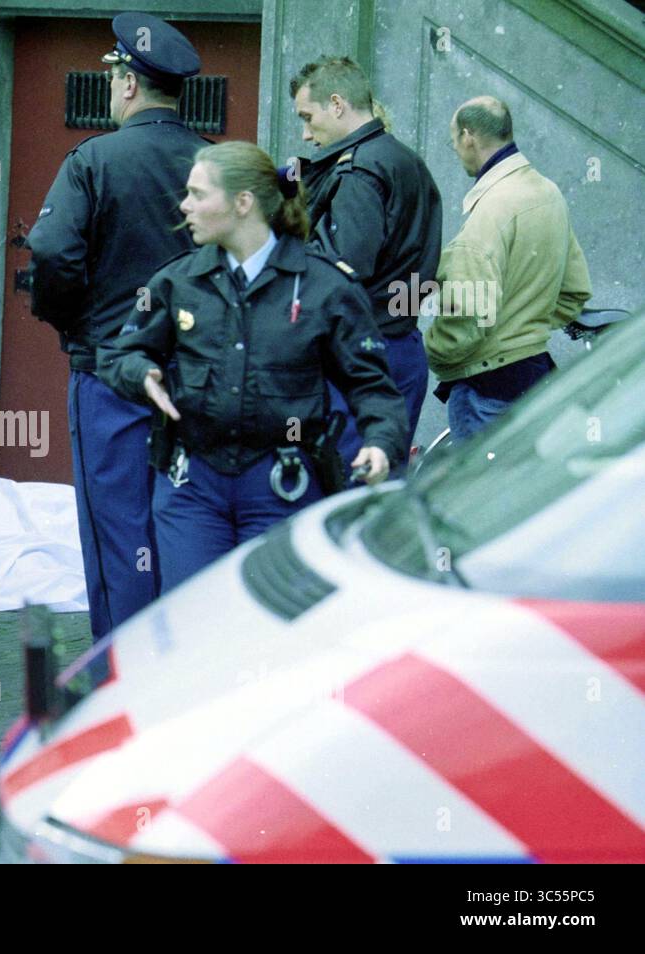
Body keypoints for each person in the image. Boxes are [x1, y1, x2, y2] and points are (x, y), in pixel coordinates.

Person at [97, 142, 407, 591]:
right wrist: (140, 373)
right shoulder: (177, 281)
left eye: (199, 194)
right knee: (196, 621)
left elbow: (373, 385)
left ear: (243, 203)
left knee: (268, 629)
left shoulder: (324, 286)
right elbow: (119, 353)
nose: (185, 205)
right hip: (192, 488)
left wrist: (381, 443)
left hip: (282, 487)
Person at [27, 12, 205, 642]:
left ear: (128, 84)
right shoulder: (217, 165)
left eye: (114, 76)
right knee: (186, 530)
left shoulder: (95, 159)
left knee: (118, 536)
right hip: (198, 378)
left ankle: (121, 681)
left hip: (111, 373)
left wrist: (71, 322)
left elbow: (50, 252)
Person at [290, 56, 442, 459]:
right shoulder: (403, 159)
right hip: (399, 345)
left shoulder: (360, 170)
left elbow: (343, 271)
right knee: (380, 489)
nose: (306, 134)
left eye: (308, 117)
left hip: (362, 354)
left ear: (337, 104)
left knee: (345, 492)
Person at [425, 96, 592, 441]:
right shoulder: (549, 193)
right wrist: (522, 323)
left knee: (476, 493)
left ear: (468, 136)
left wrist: (427, 349)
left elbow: (467, 318)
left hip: (486, 391)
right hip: (535, 376)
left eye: (453, 139)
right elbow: (574, 290)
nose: (454, 149)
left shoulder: (489, 214)